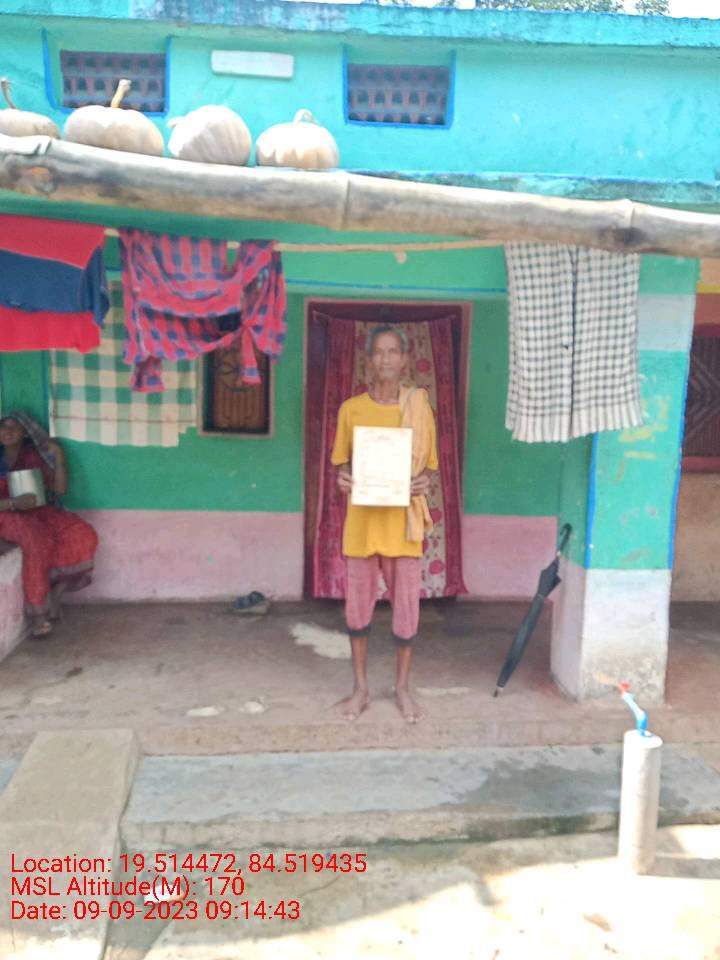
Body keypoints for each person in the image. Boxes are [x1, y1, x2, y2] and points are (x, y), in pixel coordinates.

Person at [331, 326, 438, 723]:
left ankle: (402, 689)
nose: (386, 359)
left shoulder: (418, 409)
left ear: (405, 360)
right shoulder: (351, 410)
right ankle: (360, 689)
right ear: (369, 360)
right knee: (357, 613)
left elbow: (429, 470)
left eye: (393, 351)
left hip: (403, 530)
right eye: (378, 352)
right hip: (362, 527)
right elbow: (342, 466)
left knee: (406, 613)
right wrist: (343, 478)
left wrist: (424, 482)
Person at [0, 413, 98, 638]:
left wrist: (59, 457)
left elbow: (59, 490)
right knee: (36, 541)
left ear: (25, 433)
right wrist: (13, 503)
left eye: (15, 427)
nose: (8, 431)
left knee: (80, 532)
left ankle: (57, 590)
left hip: (37, 511)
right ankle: (38, 614)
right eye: (3, 426)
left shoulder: (33, 455)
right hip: (5, 513)